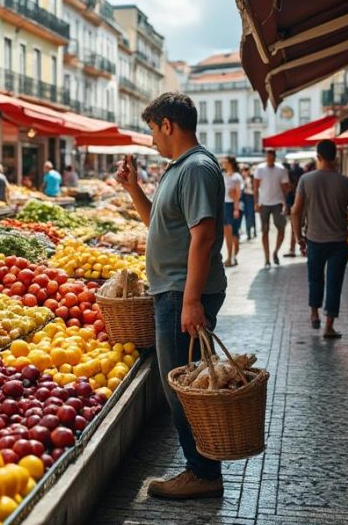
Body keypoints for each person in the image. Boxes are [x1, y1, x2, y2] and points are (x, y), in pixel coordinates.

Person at [116, 92, 226, 499]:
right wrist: (133, 188)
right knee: (181, 383)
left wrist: (191, 301)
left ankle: (203, 472)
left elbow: (204, 236)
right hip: (174, 290)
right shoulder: (178, 168)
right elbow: (159, 223)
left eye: (152, 129)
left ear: (168, 125)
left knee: (182, 388)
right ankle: (201, 467)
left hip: (182, 292)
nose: (151, 140)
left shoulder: (196, 168)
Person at [291, 140, 348, 338]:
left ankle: (314, 314)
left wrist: (298, 237)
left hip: (314, 239)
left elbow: (295, 211)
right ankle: (329, 326)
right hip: (339, 241)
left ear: (318, 157)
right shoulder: (345, 182)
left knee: (315, 278)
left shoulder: (306, 179)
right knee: (334, 283)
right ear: (335, 157)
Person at [253, 149, 291, 267]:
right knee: (264, 231)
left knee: (281, 229)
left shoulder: (281, 169)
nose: (269, 158)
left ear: (275, 157)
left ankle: (275, 252)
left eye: (271, 156)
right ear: (266, 157)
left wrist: (285, 203)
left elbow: (285, 188)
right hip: (263, 203)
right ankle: (267, 257)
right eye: (268, 156)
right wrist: (256, 202)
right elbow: (255, 187)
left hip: (278, 203)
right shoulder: (260, 169)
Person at [222, 157, 243, 267]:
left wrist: (236, 209)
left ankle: (233, 256)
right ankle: (229, 257)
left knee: (234, 233)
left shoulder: (236, 177)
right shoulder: (224, 175)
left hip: (233, 206)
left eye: (225, 161)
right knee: (227, 234)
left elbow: (237, 194)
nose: (223, 163)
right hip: (225, 205)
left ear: (230, 163)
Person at [283, 161, 305, 258]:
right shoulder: (296, 187)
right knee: (295, 229)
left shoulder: (296, 189)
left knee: (295, 229)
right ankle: (297, 248)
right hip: (298, 209)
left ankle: (295, 248)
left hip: (298, 209)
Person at [239, 165, 256, 240]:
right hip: (243, 198)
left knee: (250, 215)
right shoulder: (241, 179)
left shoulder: (251, 178)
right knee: (244, 216)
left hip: (250, 197)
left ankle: (251, 232)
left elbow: (254, 189)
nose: (244, 172)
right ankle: (247, 232)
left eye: (246, 170)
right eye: (243, 170)